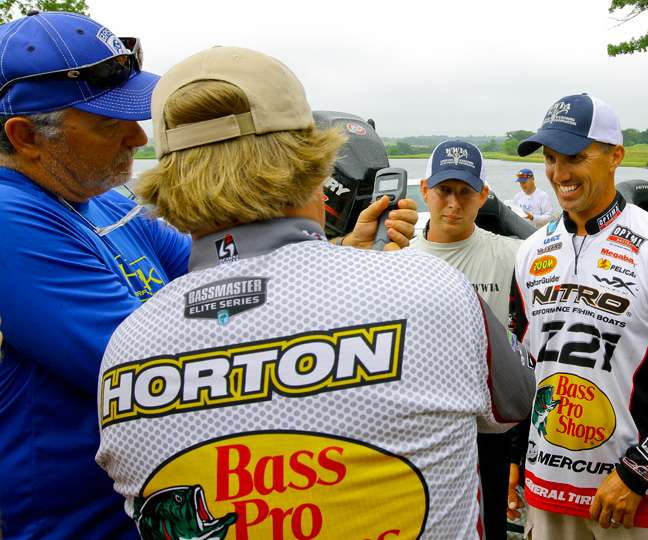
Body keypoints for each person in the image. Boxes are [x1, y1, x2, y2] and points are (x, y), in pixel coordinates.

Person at [0, 12, 416, 540]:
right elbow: (160, 367)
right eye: (111, 123)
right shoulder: (11, 219)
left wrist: (338, 252)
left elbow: (227, 269)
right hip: (81, 523)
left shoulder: (100, 201)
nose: (137, 137)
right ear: (25, 135)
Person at [95, 46, 536, 540]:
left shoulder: (124, 347)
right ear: (314, 164)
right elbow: (517, 401)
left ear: (168, 177)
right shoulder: (430, 289)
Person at [508, 93, 648, 539]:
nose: (559, 173)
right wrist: (516, 458)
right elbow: (526, 368)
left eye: (575, 157)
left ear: (615, 156)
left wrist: (639, 472)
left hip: (635, 499)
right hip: (546, 492)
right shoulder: (530, 252)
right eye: (551, 158)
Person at [410, 139, 524, 539]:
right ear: (425, 190)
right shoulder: (397, 255)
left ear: (484, 196)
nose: (453, 204)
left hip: (489, 435)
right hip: (421, 432)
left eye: (465, 192)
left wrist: (517, 457)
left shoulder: (513, 256)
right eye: (444, 191)